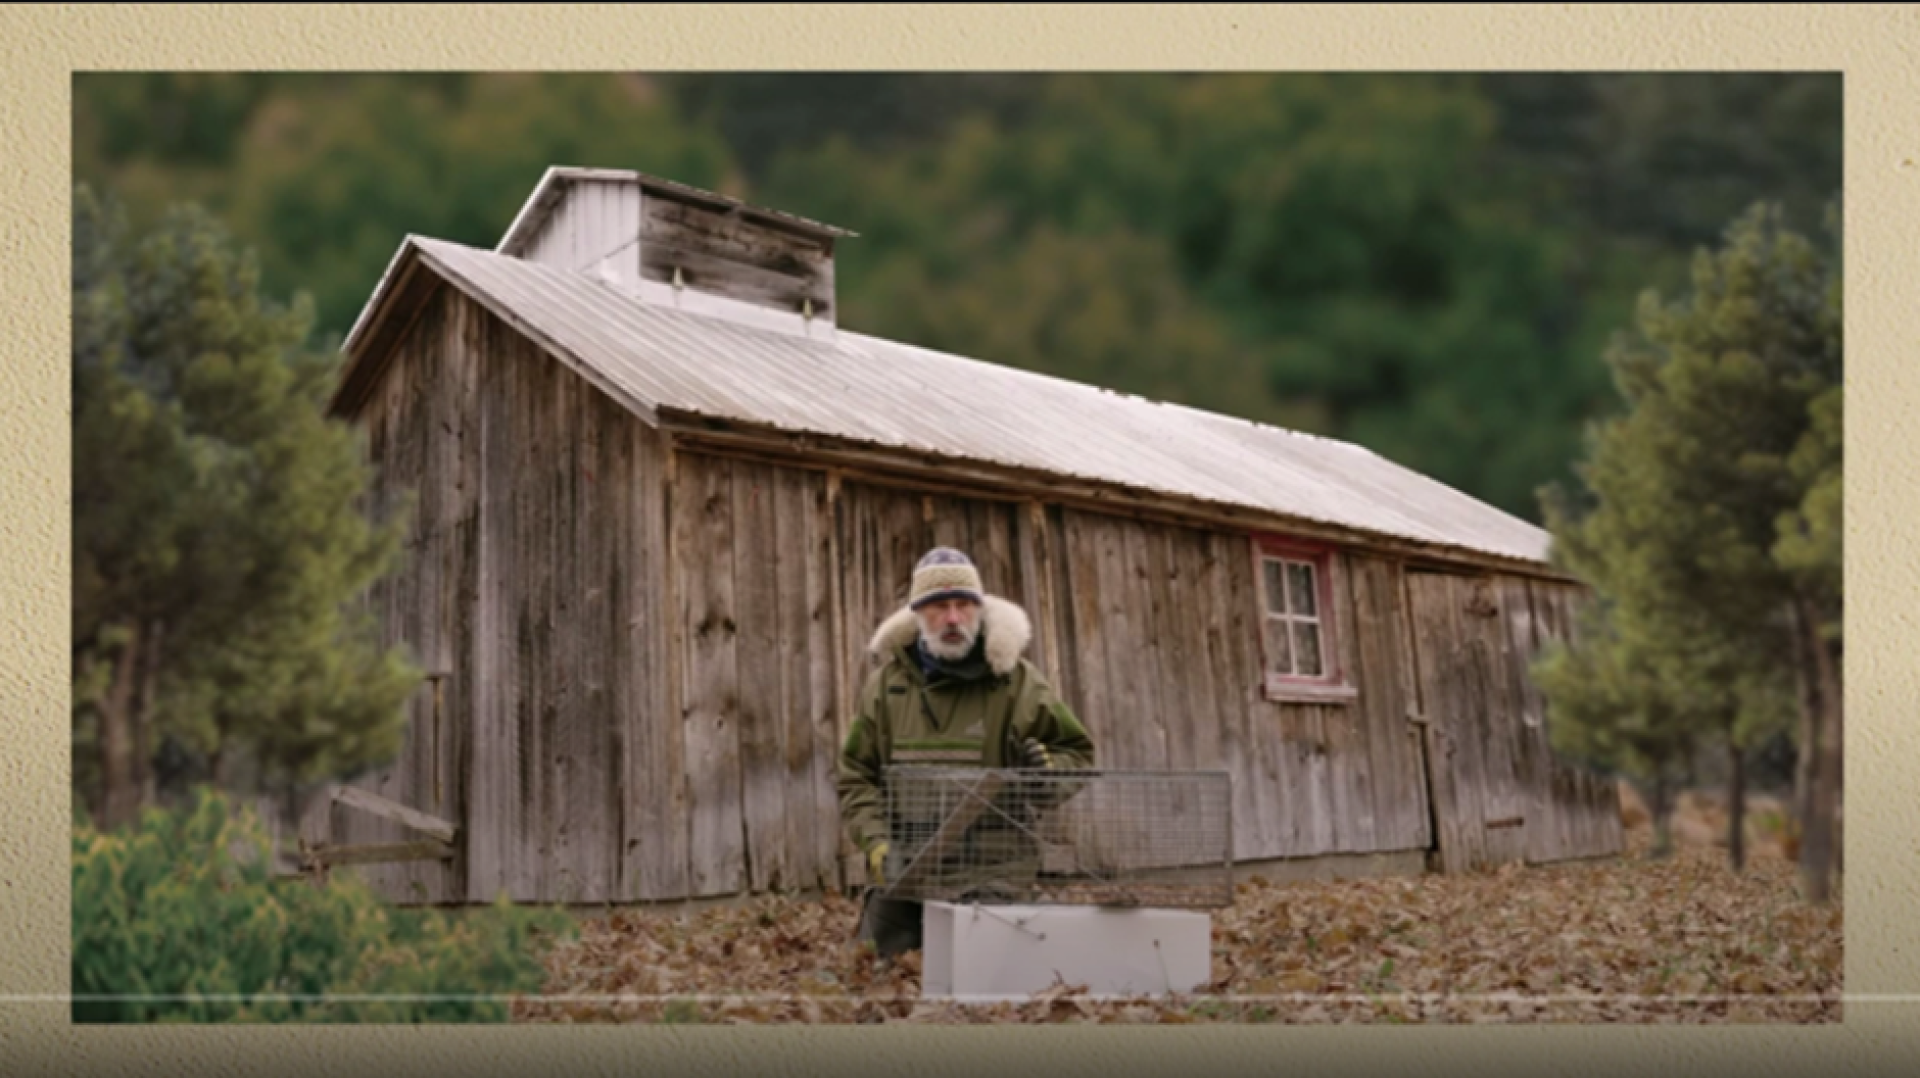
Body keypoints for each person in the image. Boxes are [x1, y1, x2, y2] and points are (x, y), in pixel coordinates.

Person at [836, 546, 1096, 959]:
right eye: (940, 606)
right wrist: (877, 843)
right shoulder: (885, 687)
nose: (954, 618)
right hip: (907, 866)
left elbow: (1077, 754)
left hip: (995, 870)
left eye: (964, 605)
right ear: (919, 615)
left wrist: (1045, 774)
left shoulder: (1018, 682)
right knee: (867, 974)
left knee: (985, 985)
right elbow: (855, 774)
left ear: (980, 609)